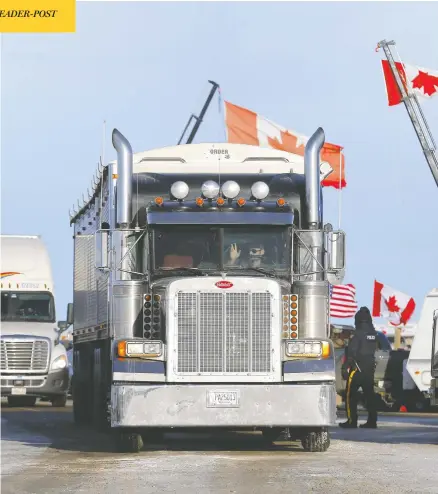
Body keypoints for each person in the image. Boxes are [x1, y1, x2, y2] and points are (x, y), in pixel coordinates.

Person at [339, 306, 378, 429]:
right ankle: (372, 421)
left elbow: (352, 352)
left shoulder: (358, 334)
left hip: (357, 368)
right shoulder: (374, 334)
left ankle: (352, 421)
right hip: (370, 367)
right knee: (369, 395)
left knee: (350, 395)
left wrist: (345, 367)